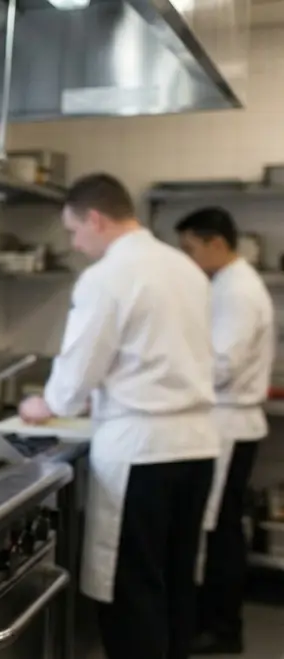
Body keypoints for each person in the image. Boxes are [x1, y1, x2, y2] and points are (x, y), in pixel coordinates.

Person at [18, 173, 220, 659]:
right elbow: (161, 353)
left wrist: (47, 405)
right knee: (176, 580)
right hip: (197, 447)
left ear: (95, 218)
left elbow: (78, 367)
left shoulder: (107, 276)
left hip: (143, 453)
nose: (75, 244)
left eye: (74, 231)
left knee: (134, 588)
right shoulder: (185, 267)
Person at [176, 207, 274, 655]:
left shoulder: (237, 291)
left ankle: (222, 628)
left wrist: (171, 381)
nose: (188, 258)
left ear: (216, 242)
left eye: (191, 248)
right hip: (226, 421)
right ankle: (214, 621)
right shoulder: (227, 283)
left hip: (230, 424)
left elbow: (222, 365)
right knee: (219, 527)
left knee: (221, 531)